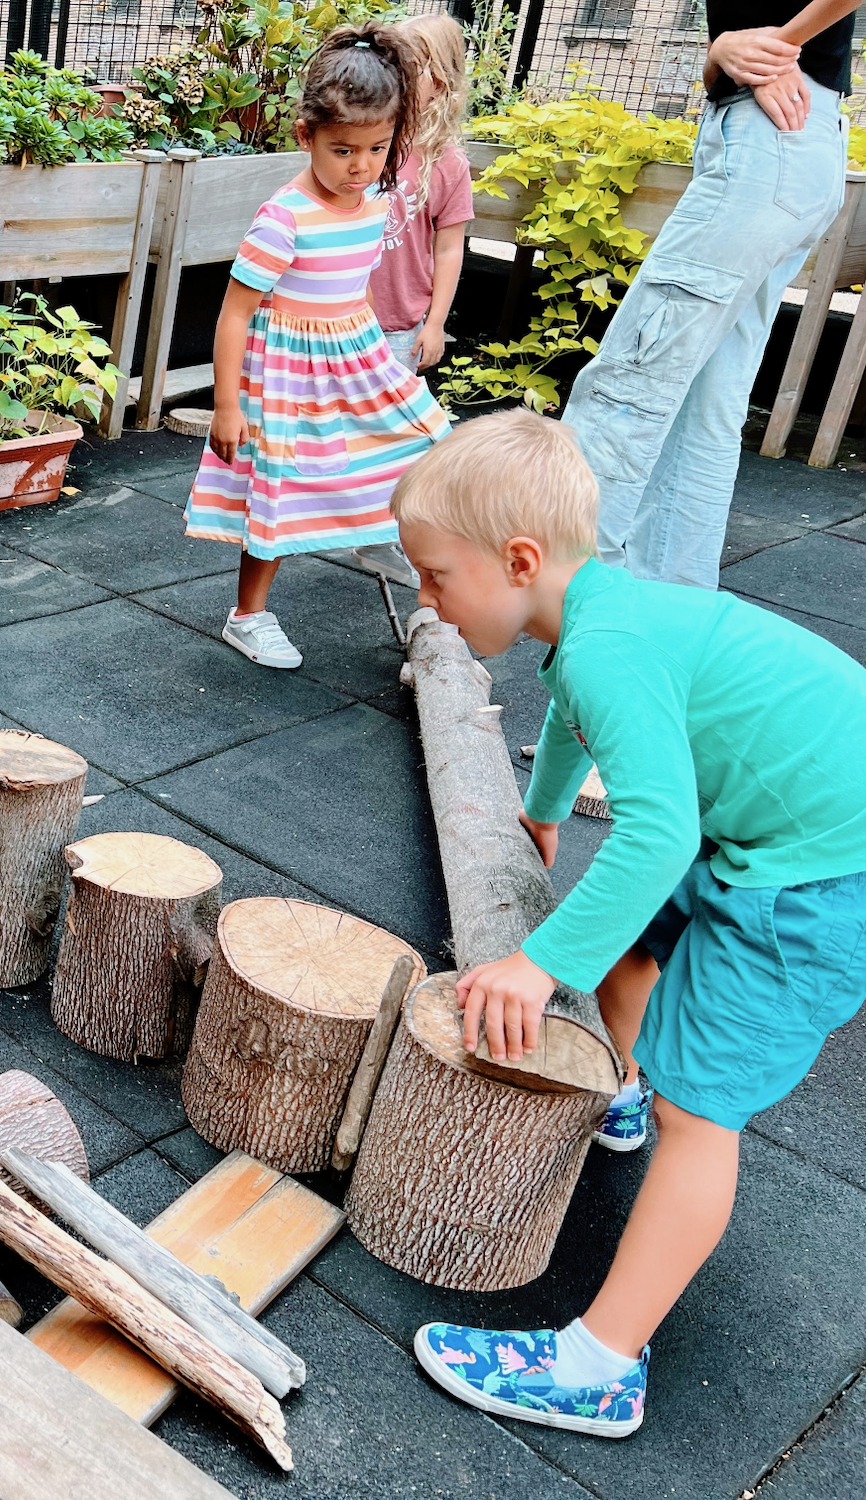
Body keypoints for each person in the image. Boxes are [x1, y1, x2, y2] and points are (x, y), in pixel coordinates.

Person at [391, 408, 866, 1437]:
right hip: (779, 830)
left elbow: (656, 835)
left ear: (519, 560)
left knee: (705, 1119)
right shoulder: (596, 620)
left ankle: (598, 1366)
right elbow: (571, 713)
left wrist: (533, 961)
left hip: (823, 875)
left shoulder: (608, 644)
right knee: (634, 950)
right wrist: (545, 812)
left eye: (436, 577)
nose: (425, 599)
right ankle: (630, 1092)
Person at [561, 0, 857, 589]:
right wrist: (723, 54)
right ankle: (666, 628)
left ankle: (570, 602)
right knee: (704, 408)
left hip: (768, 140)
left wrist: (778, 49)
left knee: (627, 387)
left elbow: (763, 50)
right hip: (789, 143)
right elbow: (736, 45)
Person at [185, 22, 450, 670]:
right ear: (306, 136)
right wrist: (226, 405)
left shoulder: (375, 200)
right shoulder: (284, 218)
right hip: (285, 371)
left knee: (424, 440)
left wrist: (374, 359)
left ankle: (378, 530)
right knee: (277, 487)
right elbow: (233, 315)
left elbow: (355, 285)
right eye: (343, 150)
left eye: (377, 148)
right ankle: (248, 616)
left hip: (353, 352)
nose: (361, 165)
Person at [372, 13, 473, 378]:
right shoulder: (366, 138)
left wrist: (435, 325)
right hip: (339, 314)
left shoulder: (446, 161)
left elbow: (448, 248)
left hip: (400, 326)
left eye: (410, 67)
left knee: (387, 426)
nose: (397, 77)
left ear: (441, 80)